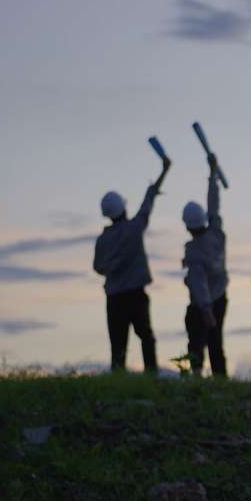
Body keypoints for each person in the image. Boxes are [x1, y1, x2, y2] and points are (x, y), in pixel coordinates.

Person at [93, 155, 168, 373]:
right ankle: (151, 376)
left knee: (118, 345)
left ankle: (118, 379)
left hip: (114, 297)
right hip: (136, 294)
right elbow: (148, 202)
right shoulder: (134, 229)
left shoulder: (102, 240)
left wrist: (113, 266)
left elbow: (98, 268)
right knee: (146, 336)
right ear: (123, 209)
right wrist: (163, 171)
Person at [181, 153, 229, 378]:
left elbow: (198, 283)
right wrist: (212, 175)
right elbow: (214, 206)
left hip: (205, 303)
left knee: (197, 341)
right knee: (216, 343)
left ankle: (197, 376)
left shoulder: (194, 251)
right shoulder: (217, 234)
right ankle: (220, 378)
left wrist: (205, 308)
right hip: (221, 297)